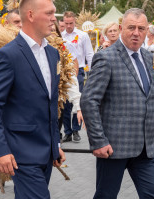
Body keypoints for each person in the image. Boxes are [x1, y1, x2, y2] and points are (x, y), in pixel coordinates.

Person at [0, 0, 65, 198]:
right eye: (49, 13)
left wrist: (56, 145)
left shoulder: (53, 54)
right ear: (30, 15)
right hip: (22, 153)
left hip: (46, 153)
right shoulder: (7, 55)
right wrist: (0, 151)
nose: (55, 18)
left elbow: (50, 104)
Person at [80, 8, 154, 199]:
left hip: (145, 150)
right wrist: (98, 141)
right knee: (106, 195)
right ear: (120, 28)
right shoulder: (106, 57)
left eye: (141, 28)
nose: (136, 32)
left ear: (146, 30)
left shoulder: (149, 57)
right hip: (113, 148)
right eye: (131, 27)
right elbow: (89, 100)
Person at [61, 11, 94, 142]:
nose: (68, 26)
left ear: (75, 22)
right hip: (64, 72)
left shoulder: (82, 35)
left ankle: (76, 130)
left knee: (77, 99)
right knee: (65, 103)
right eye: (66, 23)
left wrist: (91, 72)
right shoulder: (60, 36)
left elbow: (89, 54)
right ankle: (67, 131)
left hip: (78, 70)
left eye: (71, 23)